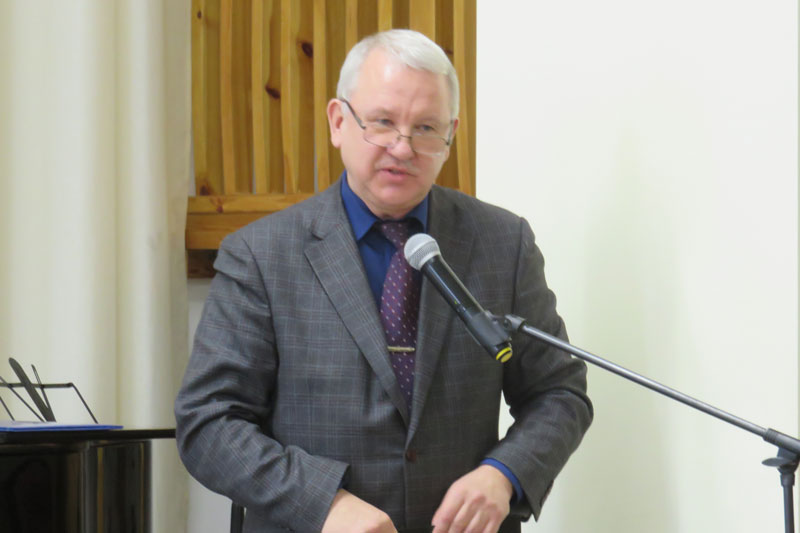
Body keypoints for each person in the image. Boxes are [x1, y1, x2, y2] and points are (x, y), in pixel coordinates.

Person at [175, 29, 592, 533]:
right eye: (383, 122)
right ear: (338, 122)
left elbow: (559, 393)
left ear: (450, 136)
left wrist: (504, 475)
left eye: (426, 128)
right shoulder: (261, 255)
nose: (403, 147)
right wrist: (323, 503)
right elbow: (209, 422)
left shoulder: (503, 243)